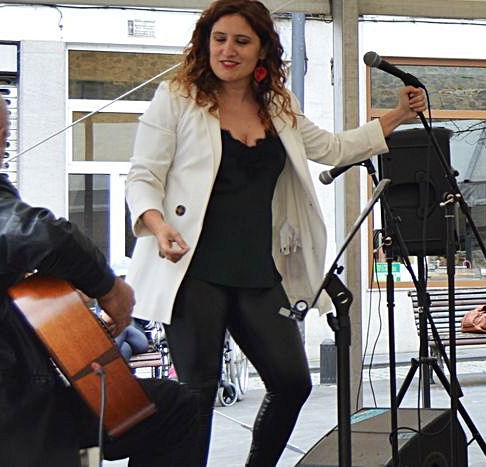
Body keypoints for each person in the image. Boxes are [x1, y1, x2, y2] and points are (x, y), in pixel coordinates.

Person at [122, 1, 428, 462]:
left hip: (258, 270)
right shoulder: (178, 96)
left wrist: (397, 115)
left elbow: (332, 147)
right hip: (191, 269)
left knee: (292, 382)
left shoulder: (279, 106)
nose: (228, 50)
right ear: (205, 43)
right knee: (197, 394)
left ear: (262, 49)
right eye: (219, 39)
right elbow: (142, 176)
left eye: (242, 41)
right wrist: (158, 224)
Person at [0, 77, 208, 465]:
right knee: (178, 407)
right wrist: (111, 289)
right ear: (0, 141)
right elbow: (45, 237)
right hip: (2, 417)